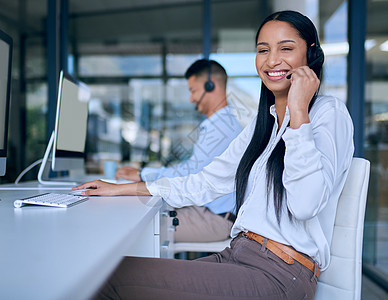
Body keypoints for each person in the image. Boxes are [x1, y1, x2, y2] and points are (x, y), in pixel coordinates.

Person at [74, 10, 354, 299]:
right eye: (262, 50)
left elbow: (305, 205)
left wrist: (298, 111)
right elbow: (205, 181)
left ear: (311, 54)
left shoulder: (327, 114)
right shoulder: (264, 126)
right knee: (101, 271)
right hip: (237, 254)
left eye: (286, 48)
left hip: (279, 273)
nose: (271, 61)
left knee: (106, 277)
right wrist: (123, 190)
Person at [115, 59, 242, 242]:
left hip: (215, 218)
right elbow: (192, 168)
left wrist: (144, 174)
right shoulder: (220, 124)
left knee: (138, 229)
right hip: (206, 209)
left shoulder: (222, 128)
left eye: (193, 91)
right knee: (138, 212)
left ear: (210, 85)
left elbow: (191, 171)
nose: (191, 99)